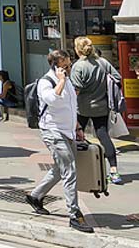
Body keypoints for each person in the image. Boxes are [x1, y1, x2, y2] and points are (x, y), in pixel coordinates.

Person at [27, 49, 93, 234]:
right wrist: (62, 81)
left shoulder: (68, 81)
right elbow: (52, 100)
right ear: (57, 66)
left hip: (68, 131)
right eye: (65, 66)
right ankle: (74, 215)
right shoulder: (45, 82)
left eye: (69, 65)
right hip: (53, 131)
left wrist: (78, 127)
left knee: (60, 168)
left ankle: (35, 196)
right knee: (70, 169)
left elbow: (71, 106)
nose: (69, 68)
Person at [70, 36, 123, 185]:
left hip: (83, 107)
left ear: (77, 49)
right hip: (102, 106)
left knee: (75, 135)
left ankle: (74, 169)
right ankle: (114, 171)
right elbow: (117, 78)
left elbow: (76, 90)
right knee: (103, 135)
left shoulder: (78, 66)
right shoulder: (103, 62)